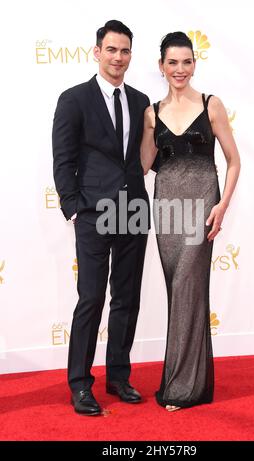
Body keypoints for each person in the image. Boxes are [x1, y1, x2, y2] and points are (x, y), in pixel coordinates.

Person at [52, 20, 150, 416]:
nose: (118, 57)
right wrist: (73, 207)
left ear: (130, 55)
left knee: (127, 298)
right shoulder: (74, 99)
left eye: (125, 51)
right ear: (97, 52)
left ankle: (119, 376)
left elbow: (145, 156)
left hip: (133, 210)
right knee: (91, 299)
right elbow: (63, 160)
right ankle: (80, 384)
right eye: (111, 50)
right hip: (93, 213)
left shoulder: (142, 101)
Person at [141, 32, 240, 411]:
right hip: (166, 212)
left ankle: (183, 389)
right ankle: (184, 380)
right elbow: (143, 166)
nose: (179, 69)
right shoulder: (151, 113)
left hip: (202, 209)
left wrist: (222, 205)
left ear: (194, 63)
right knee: (181, 294)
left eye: (186, 61)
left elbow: (234, 161)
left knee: (187, 288)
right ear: (162, 66)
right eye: (172, 62)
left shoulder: (211, 105)